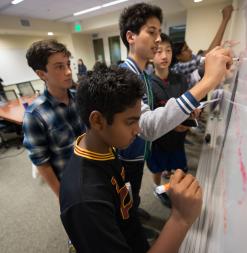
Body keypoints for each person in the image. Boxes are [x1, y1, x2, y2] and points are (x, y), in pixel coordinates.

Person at [59, 63, 203, 253]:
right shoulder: (85, 201)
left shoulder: (105, 148)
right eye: (131, 122)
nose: (138, 130)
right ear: (97, 120)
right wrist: (181, 218)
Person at [118, 2, 232, 221]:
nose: (158, 39)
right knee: (124, 197)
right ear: (130, 37)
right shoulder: (126, 76)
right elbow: (148, 126)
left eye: (159, 33)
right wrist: (207, 82)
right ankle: (129, 218)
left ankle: (132, 210)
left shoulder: (140, 74)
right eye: (151, 32)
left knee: (131, 193)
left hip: (139, 152)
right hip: (127, 156)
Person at [23, 39, 84, 198]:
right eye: (59, 67)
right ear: (42, 74)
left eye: (68, 64)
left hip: (95, 171)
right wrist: (61, 195)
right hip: (71, 184)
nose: (69, 71)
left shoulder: (79, 98)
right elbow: (41, 162)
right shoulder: (34, 116)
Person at [147, 33, 191, 188]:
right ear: (151, 54)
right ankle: (157, 189)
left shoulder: (181, 79)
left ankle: (173, 188)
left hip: (178, 139)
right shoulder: (147, 84)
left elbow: (186, 106)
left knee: (179, 169)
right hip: (159, 141)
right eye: (159, 51)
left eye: (168, 50)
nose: (164, 56)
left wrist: (192, 115)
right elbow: (149, 118)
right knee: (157, 169)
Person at [171, 4, 233, 88]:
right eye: (186, 49)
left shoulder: (191, 58)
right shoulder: (179, 68)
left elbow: (205, 54)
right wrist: (225, 19)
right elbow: (208, 55)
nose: (191, 50)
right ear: (178, 56)